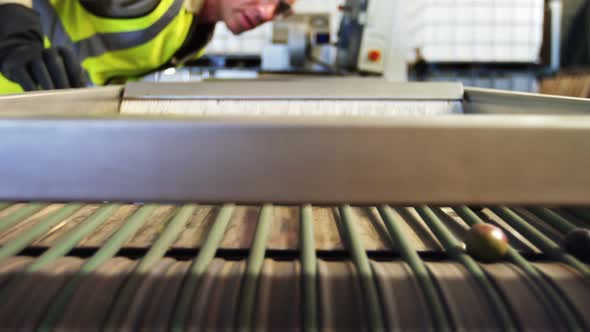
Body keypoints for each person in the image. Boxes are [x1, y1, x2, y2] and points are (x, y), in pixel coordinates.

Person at [0, 0, 295, 94]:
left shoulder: (194, 37)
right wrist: (16, 42)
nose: (266, 13)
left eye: (280, 8)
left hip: (27, 124)